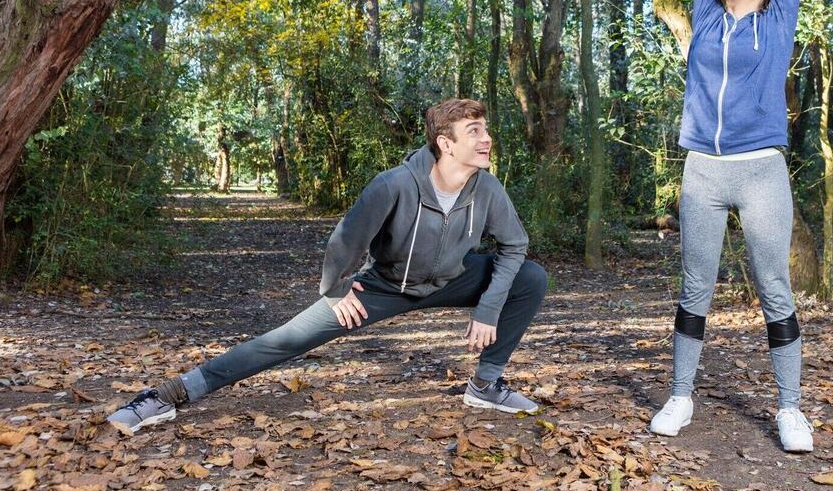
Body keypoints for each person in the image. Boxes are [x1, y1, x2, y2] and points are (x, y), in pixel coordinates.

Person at [107, 99, 547, 434]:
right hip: (385, 287)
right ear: (446, 143)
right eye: (474, 131)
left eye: (485, 129)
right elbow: (346, 240)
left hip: (452, 279)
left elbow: (515, 245)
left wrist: (487, 309)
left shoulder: (487, 189)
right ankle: (172, 393)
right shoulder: (394, 185)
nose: (486, 138)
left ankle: (486, 386)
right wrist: (336, 290)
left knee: (530, 277)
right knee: (284, 340)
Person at [648, 0, 812, 452]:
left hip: (761, 170)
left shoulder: (776, 23)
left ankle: (790, 409)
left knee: (774, 286)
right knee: (696, 286)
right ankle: (681, 395)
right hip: (703, 172)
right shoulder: (707, 19)